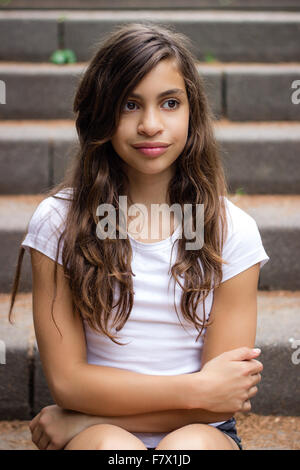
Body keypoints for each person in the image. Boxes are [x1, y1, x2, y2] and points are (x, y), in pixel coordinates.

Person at [8, 22, 269, 451]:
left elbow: (220, 402)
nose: (150, 124)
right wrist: (195, 390)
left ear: (192, 113)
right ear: (102, 113)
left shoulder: (231, 229)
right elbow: (68, 381)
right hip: (101, 437)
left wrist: (81, 418)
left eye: (170, 103)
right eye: (130, 104)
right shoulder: (58, 221)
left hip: (201, 433)